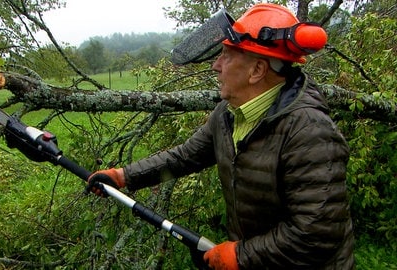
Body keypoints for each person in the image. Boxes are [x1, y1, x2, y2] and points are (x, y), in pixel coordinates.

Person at [87, 3, 355, 269]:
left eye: (226, 55)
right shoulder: (228, 115)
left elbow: (317, 233)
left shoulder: (309, 131)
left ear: (257, 71)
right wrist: (123, 176)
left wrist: (240, 255)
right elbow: (185, 157)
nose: (216, 65)